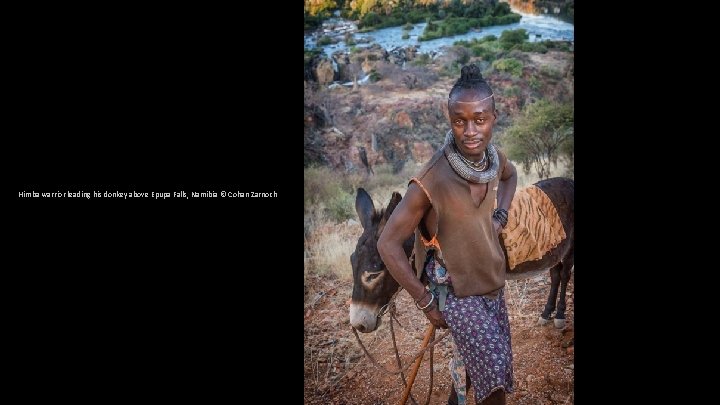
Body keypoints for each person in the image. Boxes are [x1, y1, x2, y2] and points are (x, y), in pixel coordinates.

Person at [377, 64, 518, 405]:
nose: (470, 130)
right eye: (459, 121)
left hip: (490, 282)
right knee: (494, 382)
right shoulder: (432, 179)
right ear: (449, 119)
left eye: (480, 119)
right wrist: (424, 301)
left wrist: (500, 215)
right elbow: (388, 243)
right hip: (455, 292)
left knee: (483, 367)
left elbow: (511, 176)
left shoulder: (494, 159)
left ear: (494, 118)